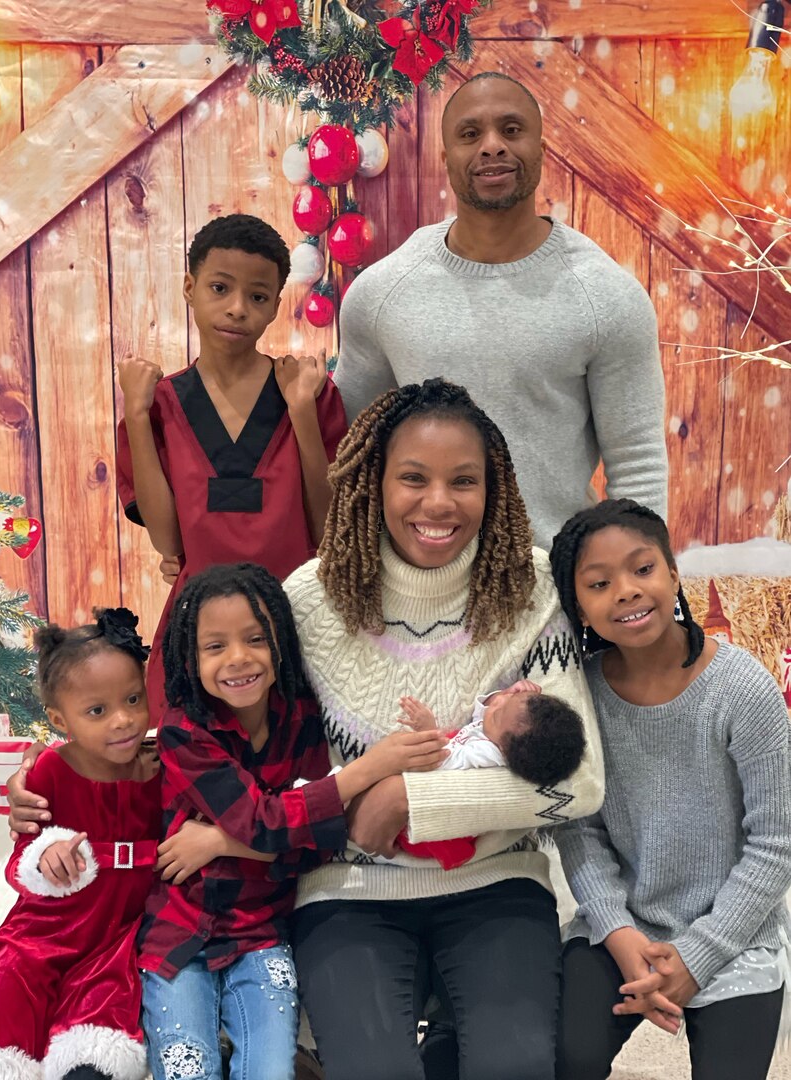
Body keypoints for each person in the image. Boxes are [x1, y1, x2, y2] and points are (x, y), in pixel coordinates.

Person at [282, 377, 605, 1080]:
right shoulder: (308, 601)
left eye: (464, 480)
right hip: (351, 887)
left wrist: (409, 801)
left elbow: (577, 784)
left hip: (496, 877)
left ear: (494, 488)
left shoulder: (530, 590)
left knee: (516, 1069)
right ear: (373, 481)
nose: (438, 503)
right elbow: (244, 744)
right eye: (413, 478)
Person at [133, 562, 445, 1080]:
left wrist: (218, 842)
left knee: (272, 1071)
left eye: (255, 638)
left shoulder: (301, 716)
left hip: (261, 931)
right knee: (186, 1066)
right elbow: (269, 823)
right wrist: (370, 768)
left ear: (280, 640)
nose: (239, 659)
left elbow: (319, 841)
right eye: (215, 647)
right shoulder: (184, 732)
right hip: (179, 933)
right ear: (190, 657)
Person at [334, 72, 667, 549]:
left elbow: (637, 462)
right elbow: (351, 447)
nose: (492, 146)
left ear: (541, 149)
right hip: (415, 594)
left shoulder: (606, 297)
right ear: (446, 160)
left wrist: (644, 594)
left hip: (552, 590)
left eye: (511, 130)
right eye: (471, 134)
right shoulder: (383, 292)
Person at [549, 499, 791, 1080]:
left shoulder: (742, 689)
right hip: (623, 924)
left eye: (643, 569)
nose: (627, 591)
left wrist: (699, 954)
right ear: (578, 607)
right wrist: (618, 928)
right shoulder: (578, 698)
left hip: (734, 934)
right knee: (563, 1057)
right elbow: (577, 826)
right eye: (599, 583)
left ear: (674, 573)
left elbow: (777, 843)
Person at [116, 213, 347, 721]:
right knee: (191, 775)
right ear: (190, 288)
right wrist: (135, 413)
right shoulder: (159, 404)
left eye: (258, 297)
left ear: (274, 308)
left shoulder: (309, 394)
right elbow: (168, 544)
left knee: (297, 773)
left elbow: (327, 527)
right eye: (220, 288)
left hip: (296, 625)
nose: (238, 308)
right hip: (200, 632)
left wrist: (302, 413)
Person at [0, 608, 161, 1080]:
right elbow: (23, 853)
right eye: (97, 711)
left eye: (133, 699)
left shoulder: (163, 770)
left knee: (98, 1035)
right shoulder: (51, 772)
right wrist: (47, 856)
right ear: (61, 720)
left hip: (118, 936)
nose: (123, 720)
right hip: (47, 928)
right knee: (6, 997)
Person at [396, 680, 586, 868]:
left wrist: (429, 730)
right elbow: (482, 714)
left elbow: (444, 764)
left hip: (429, 833)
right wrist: (508, 694)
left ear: (503, 750)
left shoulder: (488, 755)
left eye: (497, 714)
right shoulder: (498, 732)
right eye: (509, 698)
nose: (497, 702)